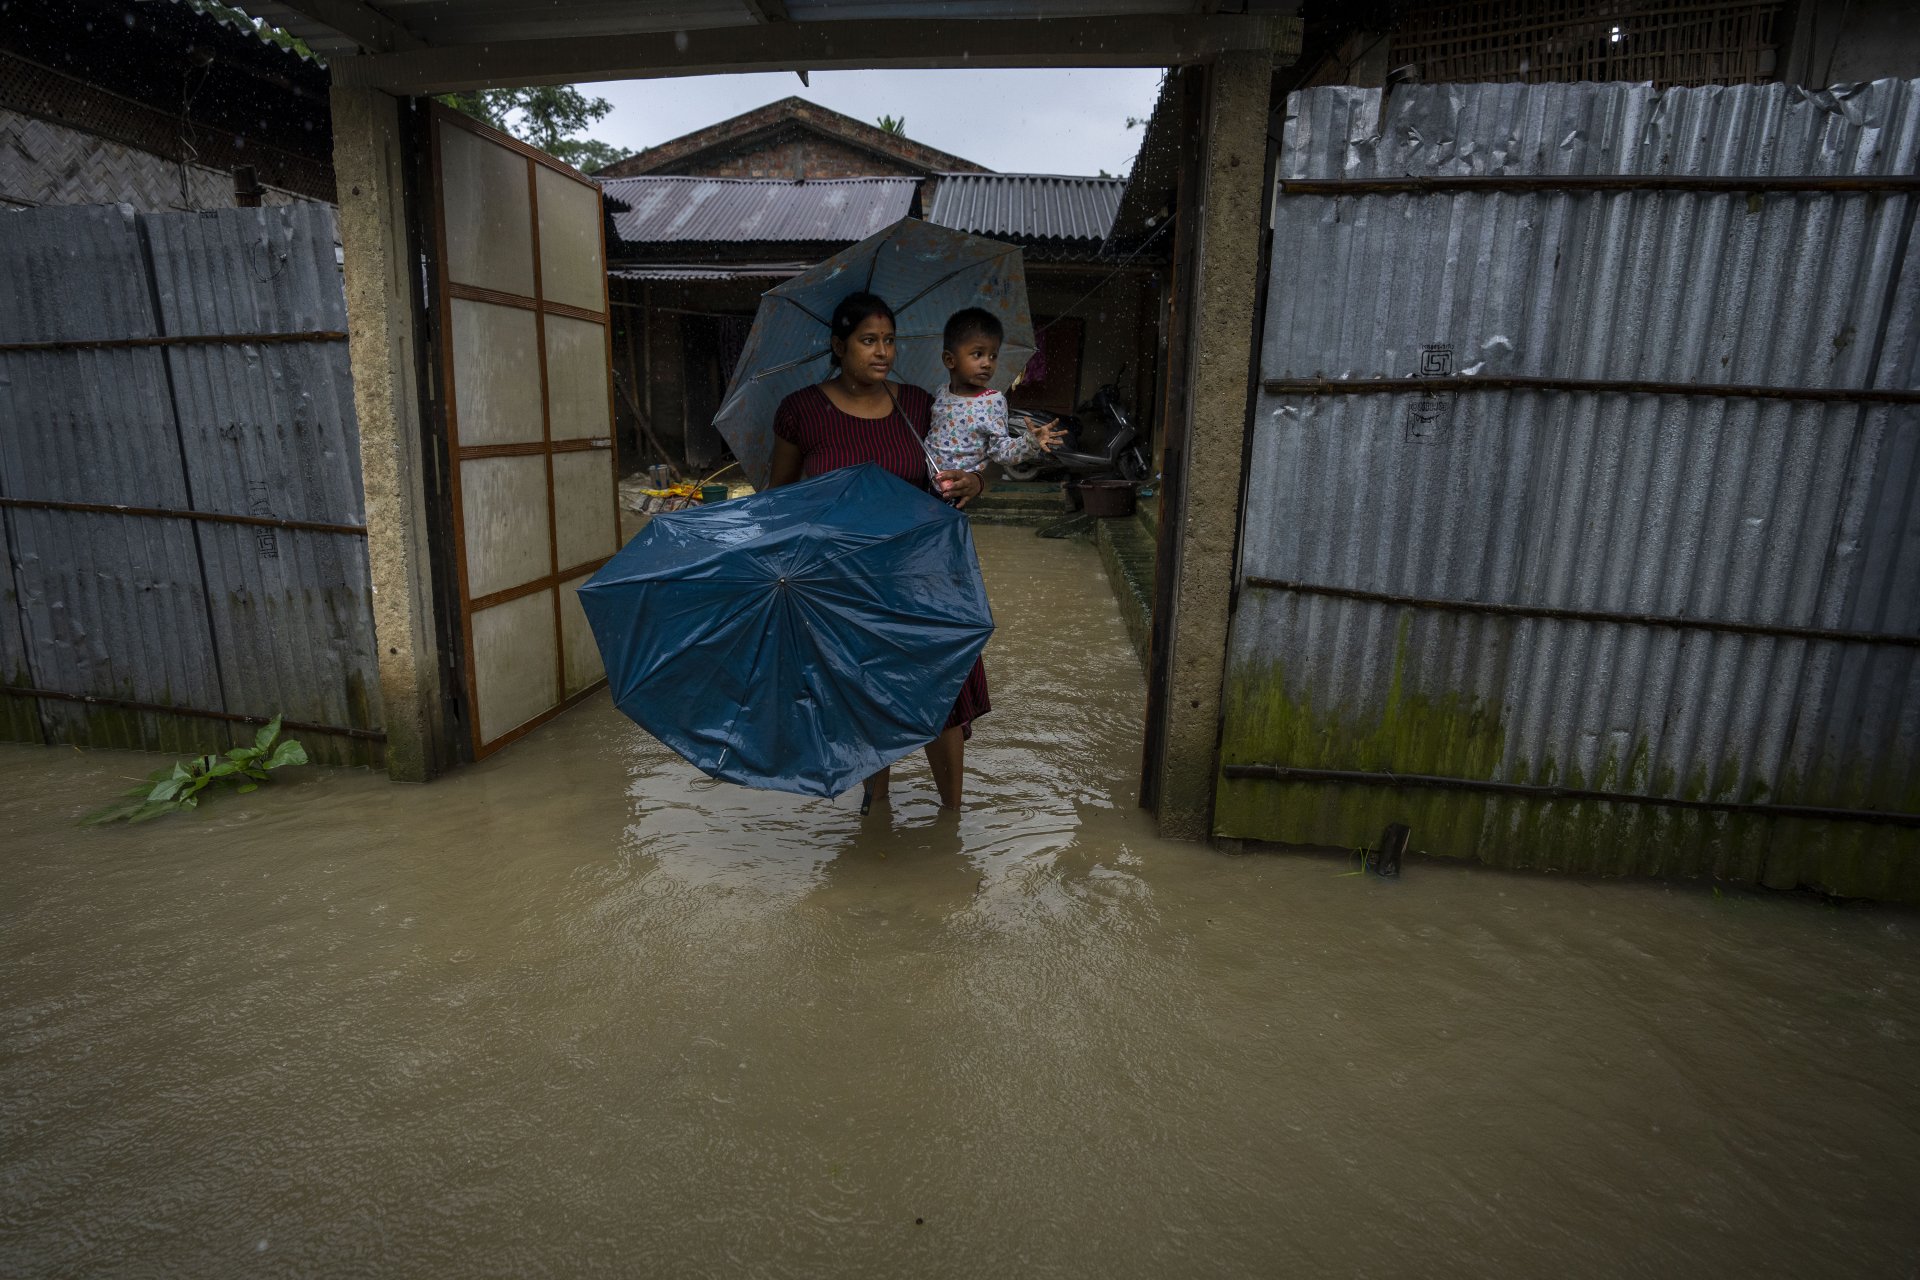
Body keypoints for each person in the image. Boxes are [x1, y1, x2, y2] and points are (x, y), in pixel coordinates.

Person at [766, 291, 990, 814]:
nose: (882, 351)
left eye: (889, 340)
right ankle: (876, 801)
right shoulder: (801, 410)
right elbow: (778, 501)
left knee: (946, 688)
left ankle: (951, 814)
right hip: (844, 582)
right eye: (869, 340)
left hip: (922, 574)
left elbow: (966, 457)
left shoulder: (916, 404)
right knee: (863, 690)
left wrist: (976, 480)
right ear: (839, 345)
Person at [929, 308, 1065, 474]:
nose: (988, 363)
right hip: (927, 482)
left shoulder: (993, 401)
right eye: (978, 354)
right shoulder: (941, 392)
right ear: (950, 360)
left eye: (993, 355)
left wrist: (1030, 442)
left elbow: (1001, 451)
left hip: (961, 489)